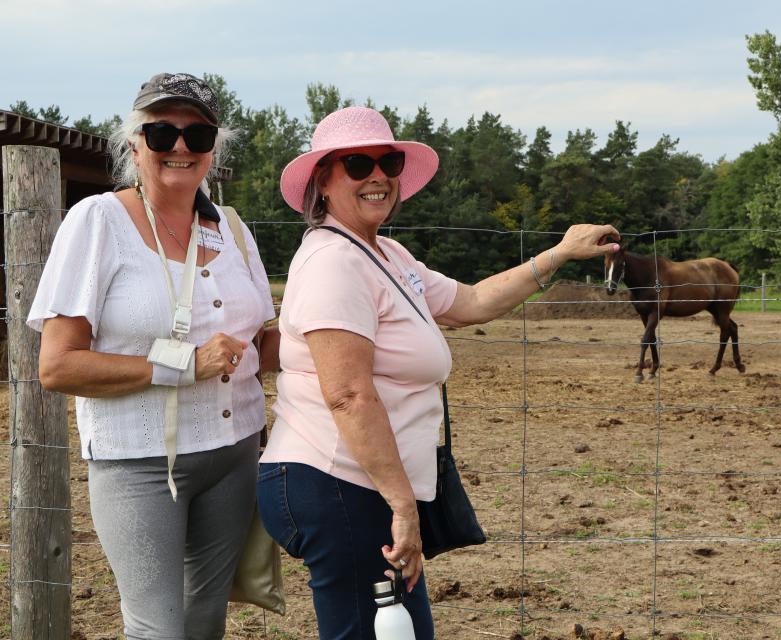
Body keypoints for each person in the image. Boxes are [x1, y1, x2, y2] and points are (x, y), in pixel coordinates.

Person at [257, 105, 620, 639]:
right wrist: (402, 505)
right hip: (337, 482)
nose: (378, 175)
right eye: (357, 164)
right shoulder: (334, 262)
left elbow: (471, 301)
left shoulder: (386, 254)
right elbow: (349, 396)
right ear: (323, 181)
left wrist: (558, 255)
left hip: (362, 484)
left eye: (389, 161)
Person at [28, 73, 277, 640]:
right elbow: (58, 365)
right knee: (158, 630)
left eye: (198, 134)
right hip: (138, 462)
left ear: (215, 147)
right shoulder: (98, 222)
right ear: (134, 145)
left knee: (203, 619)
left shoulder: (233, 230)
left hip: (234, 453)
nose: (181, 147)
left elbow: (263, 346)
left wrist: (359, 327)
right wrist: (184, 364)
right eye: (161, 133)